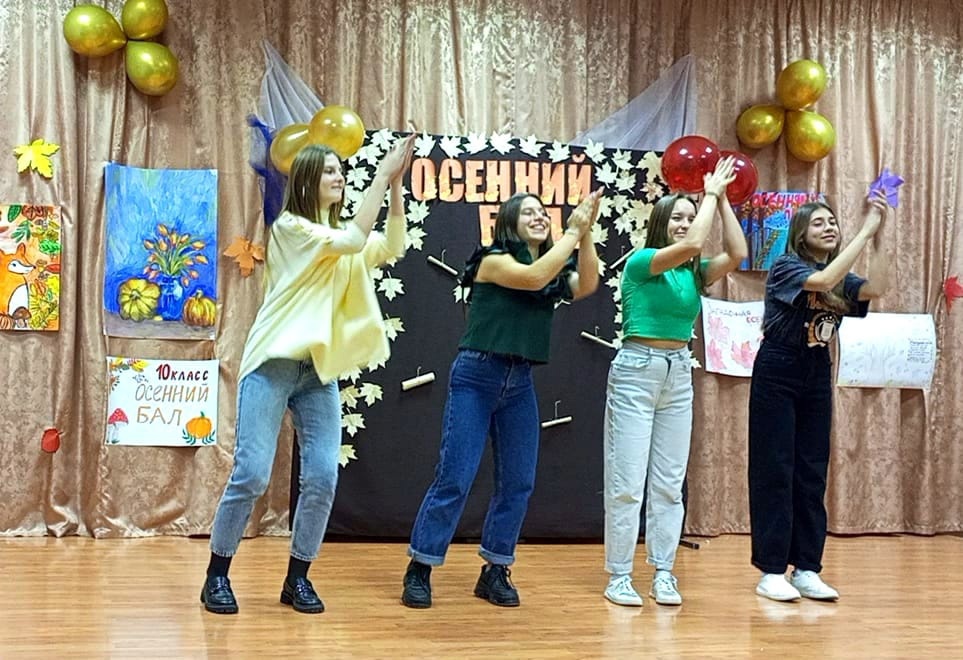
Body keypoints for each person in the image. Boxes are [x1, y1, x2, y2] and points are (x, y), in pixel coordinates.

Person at [200, 135, 416, 615]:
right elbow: (355, 240)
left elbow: (392, 245)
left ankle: (297, 578)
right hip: (272, 365)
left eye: (342, 170)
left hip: (318, 372)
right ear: (307, 181)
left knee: (321, 476)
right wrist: (381, 174)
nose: (340, 177)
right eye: (330, 171)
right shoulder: (292, 230)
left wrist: (396, 185)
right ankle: (216, 574)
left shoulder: (339, 239)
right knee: (252, 474)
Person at [401, 189, 602, 608]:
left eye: (543, 212)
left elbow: (587, 284)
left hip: (519, 381)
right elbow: (532, 278)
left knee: (518, 481)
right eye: (528, 212)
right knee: (455, 476)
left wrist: (584, 235)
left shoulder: (552, 266)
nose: (539, 217)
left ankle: (495, 569)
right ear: (509, 222)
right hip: (477, 375)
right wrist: (573, 230)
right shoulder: (493, 261)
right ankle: (421, 565)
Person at [602, 156, 745, 607]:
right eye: (676, 218)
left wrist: (722, 200)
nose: (684, 225)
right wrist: (709, 194)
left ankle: (664, 572)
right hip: (636, 372)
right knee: (627, 481)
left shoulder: (692, 272)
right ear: (660, 224)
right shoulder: (643, 261)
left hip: (678, 372)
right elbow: (696, 241)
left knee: (668, 482)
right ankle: (619, 576)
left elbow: (737, 254)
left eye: (689, 217)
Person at [749, 190, 890, 602]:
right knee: (775, 468)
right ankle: (772, 570)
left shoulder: (840, 274)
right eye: (818, 222)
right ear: (800, 233)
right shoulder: (786, 267)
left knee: (812, 470)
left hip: (815, 368)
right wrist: (864, 231)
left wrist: (878, 236)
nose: (828, 227)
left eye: (832, 221)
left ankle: (807, 567)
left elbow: (878, 287)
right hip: (778, 367)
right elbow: (823, 282)